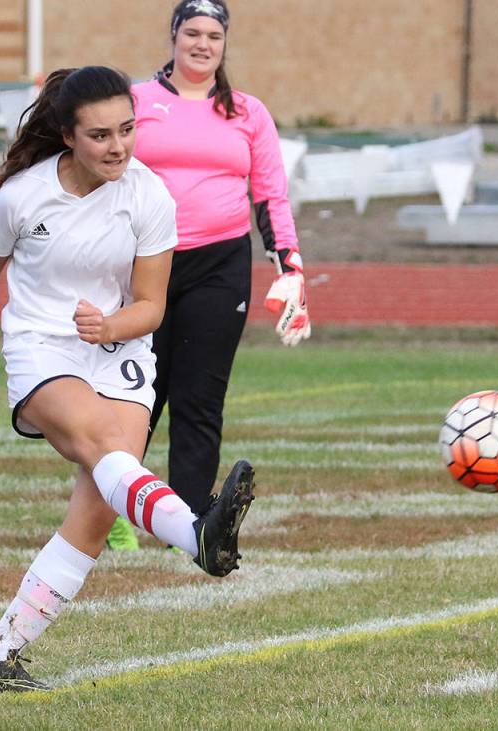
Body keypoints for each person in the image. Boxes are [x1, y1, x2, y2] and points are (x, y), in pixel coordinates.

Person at [0, 65, 255, 693]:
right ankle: (197, 536)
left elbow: (151, 305)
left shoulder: (149, 196)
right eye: (100, 135)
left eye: (127, 130)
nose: (118, 147)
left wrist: (110, 326)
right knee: (106, 451)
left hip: (119, 347)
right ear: (67, 135)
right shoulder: (21, 199)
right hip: (41, 347)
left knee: (94, 510)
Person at [104, 0, 309, 551]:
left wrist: (289, 268)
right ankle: (112, 511)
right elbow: (103, 173)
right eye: (191, 32)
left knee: (200, 399)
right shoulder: (136, 102)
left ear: (224, 44)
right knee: (135, 396)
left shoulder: (248, 112)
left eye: (213, 35)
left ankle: (188, 527)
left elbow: (270, 195)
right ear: (172, 36)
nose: (201, 43)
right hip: (145, 264)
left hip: (220, 265)